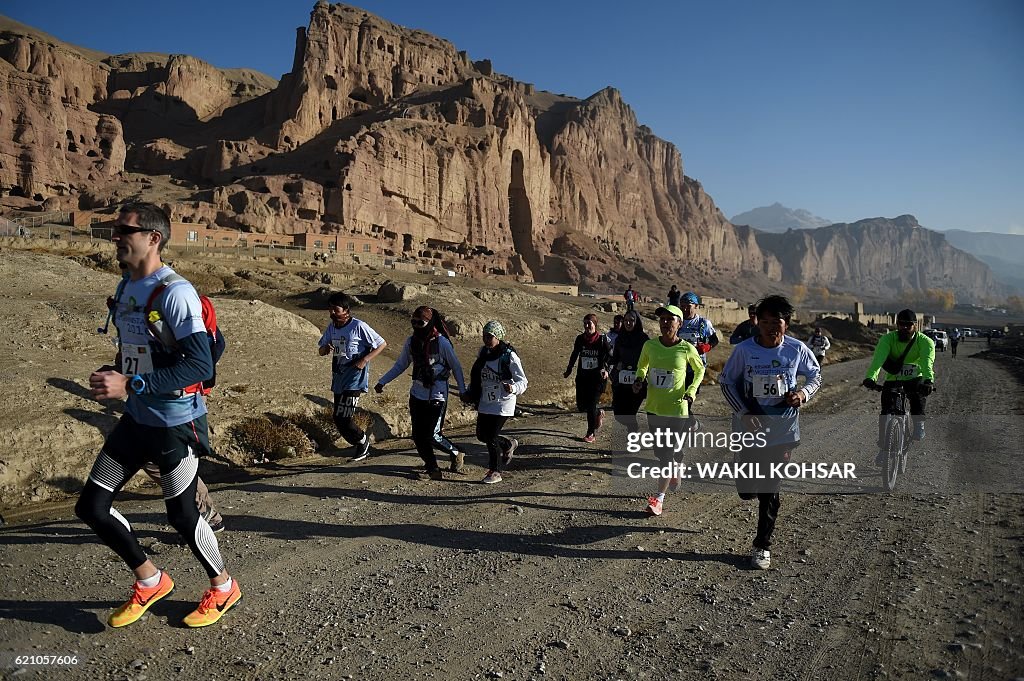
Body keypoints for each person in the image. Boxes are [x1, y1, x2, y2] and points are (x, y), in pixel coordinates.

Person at [75, 201, 240, 628]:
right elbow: (136, 347)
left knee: (183, 516)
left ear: (153, 238)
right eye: (114, 229)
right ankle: (150, 580)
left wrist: (131, 385)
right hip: (137, 419)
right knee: (92, 507)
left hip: (176, 424)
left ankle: (223, 586)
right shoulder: (128, 286)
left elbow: (201, 366)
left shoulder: (177, 293)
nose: (115, 237)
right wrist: (118, 371)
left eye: (124, 230)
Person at [720, 294, 822, 570]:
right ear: (757, 322)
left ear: (786, 323)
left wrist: (802, 393)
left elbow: (815, 376)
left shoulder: (796, 349)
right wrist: (744, 412)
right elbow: (727, 382)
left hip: (782, 429)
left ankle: (762, 546)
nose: (769, 327)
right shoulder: (744, 350)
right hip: (749, 425)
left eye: (775, 321)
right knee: (746, 489)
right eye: (763, 321)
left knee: (770, 487)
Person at [375, 306, 467, 479]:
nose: (417, 326)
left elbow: (456, 366)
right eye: (414, 322)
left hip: (437, 394)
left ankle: (455, 452)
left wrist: (462, 390)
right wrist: (383, 381)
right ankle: (432, 467)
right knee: (418, 435)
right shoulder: (411, 342)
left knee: (432, 434)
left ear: (429, 322)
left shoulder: (442, 343)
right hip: (417, 393)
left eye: (421, 322)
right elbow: (401, 365)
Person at [633, 304, 705, 517]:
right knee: (661, 453)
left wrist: (692, 390)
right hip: (654, 408)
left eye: (670, 319)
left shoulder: (686, 348)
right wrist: (639, 380)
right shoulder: (650, 346)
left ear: (679, 324)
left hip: (677, 410)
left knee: (665, 456)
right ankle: (677, 465)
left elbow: (700, 369)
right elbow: (642, 366)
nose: (665, 323)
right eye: (662, 319)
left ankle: (658, 499)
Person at [318, 292, 387, 461]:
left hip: (355, 377)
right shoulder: (332, 327)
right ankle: (362, 443)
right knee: (337, 417)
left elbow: (382, 344)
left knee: (344, 416)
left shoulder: (358, 326)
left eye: (336, 309)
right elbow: (321, 349)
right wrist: (325, 348)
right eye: (330, 309)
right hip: (339, 375)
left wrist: (365, 359)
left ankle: (362, 445)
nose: (332, 312)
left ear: (346, 310)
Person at [862, 308, 935, 465]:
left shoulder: (925, 342)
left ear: (915, 325)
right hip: (894, 378)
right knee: (886, 412)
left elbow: (926, 362)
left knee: (917, 396)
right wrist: (870, 377)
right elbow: (878, 360)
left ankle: (918, 423)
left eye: (908, 325)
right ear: (897, 324)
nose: (904, 328)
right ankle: (884, 449)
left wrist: (928, 380)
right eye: (901, 324)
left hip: (915, 377)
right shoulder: (887, 339)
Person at [463, 321, 528, 484]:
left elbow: (523, 381)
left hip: (503, 402)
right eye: (484, 336)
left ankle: (495, 471)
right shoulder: (483, 353)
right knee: (481, 435)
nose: (486, 339)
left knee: (491, 436)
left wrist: (513, 388)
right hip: (486, 400)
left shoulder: (509, 356)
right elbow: (478, 375)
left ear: (498, 337)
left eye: (489, 336)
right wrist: (471, 391)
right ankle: (507, 444)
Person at [564, 314, 612, 443]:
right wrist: (569, 369)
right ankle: (598, 413)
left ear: (595, 325)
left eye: (589, 323)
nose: (586, 326)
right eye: (585, 323)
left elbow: (611, 356)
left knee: (591, 405)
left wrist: (606, 369)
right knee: (582, 406)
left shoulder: (602, 340)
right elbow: (575, 354)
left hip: (597, 378)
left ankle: (591, 433)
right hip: (583, 377)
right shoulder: (580, 339)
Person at [610, 310, 649, 433]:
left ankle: (631, 437)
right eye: (625, 320)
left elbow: (649, 359)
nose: (628, 323)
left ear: (637, 322)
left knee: (630, 412)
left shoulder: (644, 340)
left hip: (637, 382)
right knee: (618, 414)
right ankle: (633, 428)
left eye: (631, 320)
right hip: (621, 382)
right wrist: (616, 364)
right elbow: (615, 358)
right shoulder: (620, 339)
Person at [675, 291, 720, 392]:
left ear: (696, 306)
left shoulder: (703, 323)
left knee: (690, 395)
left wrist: (707, 347)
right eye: (682, 306)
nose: (685, 309)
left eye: (688, 306)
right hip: (678, 365)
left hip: (696, 367)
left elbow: (714, 339)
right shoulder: (676, 322)